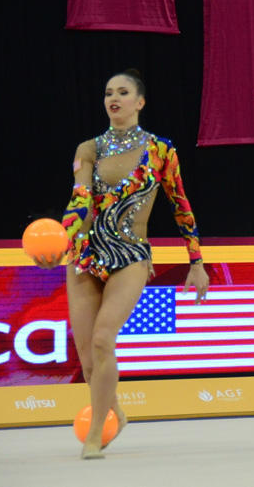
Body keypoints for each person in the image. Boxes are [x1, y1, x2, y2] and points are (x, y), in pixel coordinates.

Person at [32, 70, 209, 459]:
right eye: (109, 92)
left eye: (123, 92)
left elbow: (181, 206)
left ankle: (96, 433)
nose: (114, 98)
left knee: (102, 338)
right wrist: (61, 241)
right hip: (85, 253)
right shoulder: (88, 148)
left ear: (139, 102)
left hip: (130, 255)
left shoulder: (161, 150)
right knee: (89, 359)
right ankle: (118, 413)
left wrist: (196, 261)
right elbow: (80, 201)